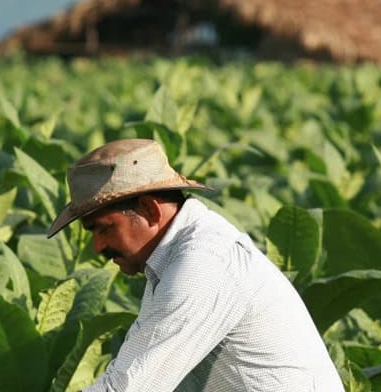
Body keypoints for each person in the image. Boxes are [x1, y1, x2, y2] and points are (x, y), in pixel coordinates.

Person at [48, 139, 344, 391]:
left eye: (103, 229)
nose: (98, 247)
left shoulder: (202, 265)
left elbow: (129, 387)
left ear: (150, 210)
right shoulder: (174, 256)